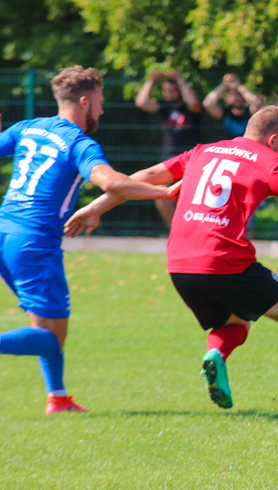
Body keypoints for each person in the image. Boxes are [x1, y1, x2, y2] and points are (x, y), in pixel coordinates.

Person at [65, 106, 278, 419]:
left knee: (237, 322)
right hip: (224, 260)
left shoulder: (202, 151)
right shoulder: (267, 160)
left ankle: (216, 356)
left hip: (179, 264)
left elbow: (148, 175)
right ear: (273, 139)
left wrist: (95, 207)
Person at [0, 66, 180, 414]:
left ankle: (59, 397)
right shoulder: (79, 143)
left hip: (4, 232)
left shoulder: (29, 127)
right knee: (52, 338)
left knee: (45, 322)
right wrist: (166, 192)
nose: (101, 110)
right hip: (34, 244)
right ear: (84, 102)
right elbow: (111, 182)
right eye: (98, 102)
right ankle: (57, 396)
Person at [135, 69, 203, 226]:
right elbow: (142, 102)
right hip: (169, 159)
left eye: (172, 90)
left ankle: (192, 229)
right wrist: (151, 80)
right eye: (166, 90)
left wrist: (179, 79)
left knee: (190, 197)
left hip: (191, 159)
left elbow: (193, 103)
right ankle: (176, 229)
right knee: (161, 197)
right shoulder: (164, 108)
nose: (168, 93)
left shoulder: (191, 109)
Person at [203, 73, 263, 139]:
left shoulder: (250, 112)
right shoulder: (225, 112)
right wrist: (224, 84)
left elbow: (257, 102)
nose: (236, 99)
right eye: (233, 95)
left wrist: (239, 86)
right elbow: (208, 104)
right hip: (229, 147)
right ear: (227, 98)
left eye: (239, 95)